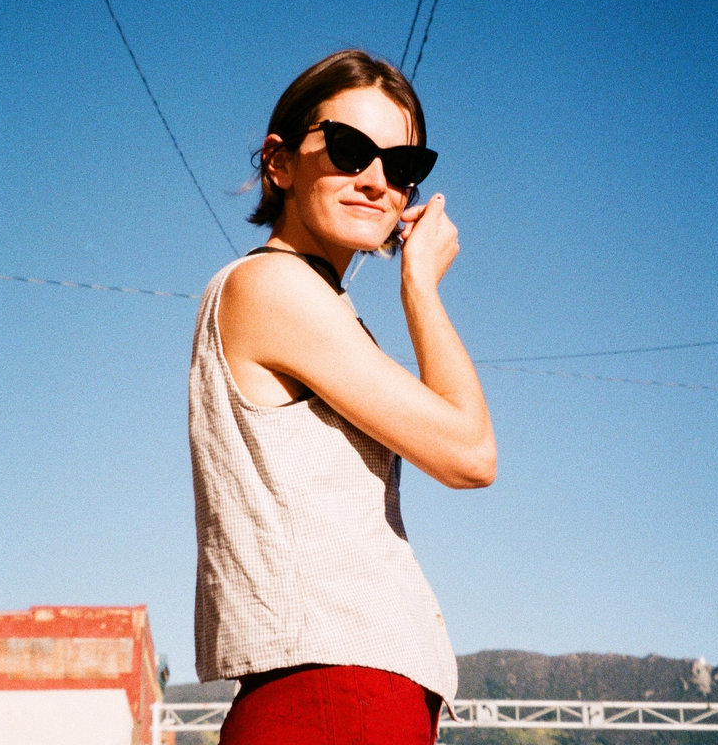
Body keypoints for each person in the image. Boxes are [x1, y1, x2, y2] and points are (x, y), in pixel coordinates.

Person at [188, 49, 497, 744]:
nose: (377, 181)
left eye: (403, 166)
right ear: (279, 163)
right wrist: (420, 286)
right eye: (350, 149)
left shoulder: (314, 303)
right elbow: (471, 453)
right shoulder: (274, 286)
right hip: (335, 698)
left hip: (338, 696)